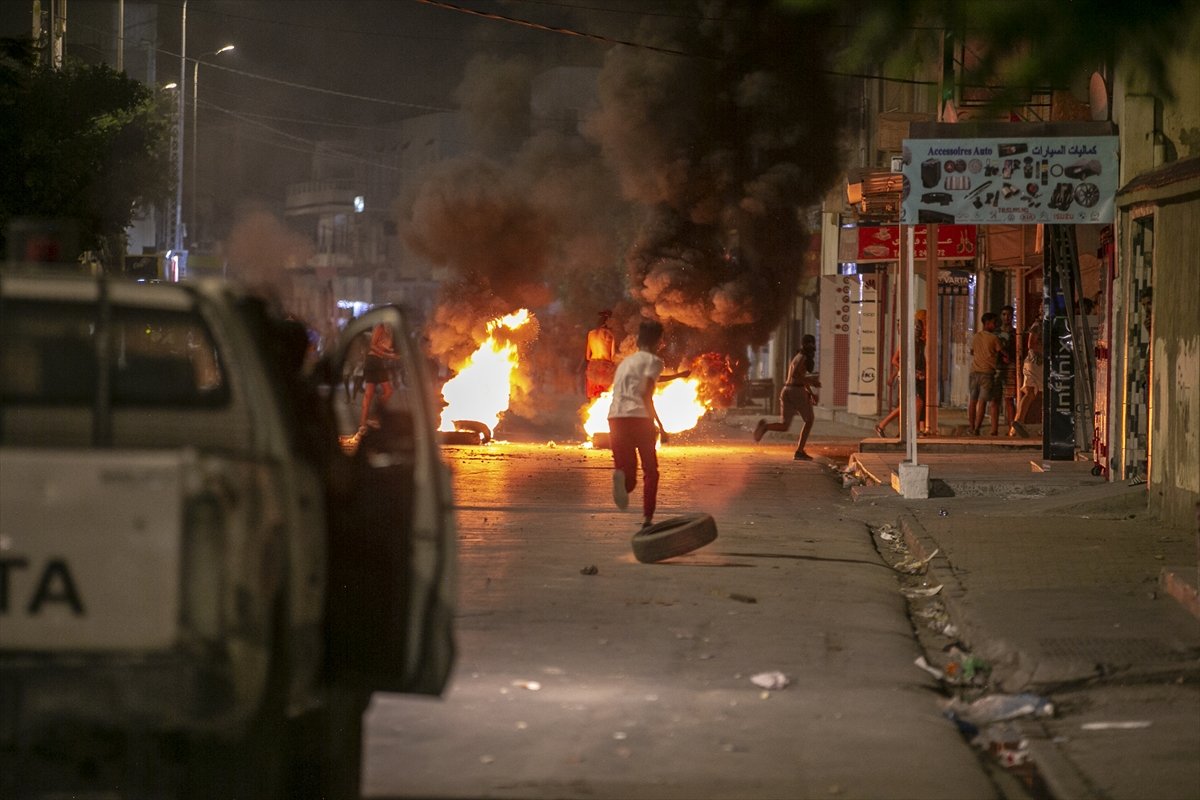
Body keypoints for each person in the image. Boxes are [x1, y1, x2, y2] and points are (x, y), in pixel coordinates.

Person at [608, 318, 669, 528]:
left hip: (615, 418)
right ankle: (647, 519)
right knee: (651, 471)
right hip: (639, 419)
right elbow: (645, 392)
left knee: (629, 478)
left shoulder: (625, 363)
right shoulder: (654, 361)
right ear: (658, 341)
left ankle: (620, 478)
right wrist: (660, 426)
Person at [752, 334, 822, 460]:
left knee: (784, 426)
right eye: (809, 343)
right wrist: (812, 382)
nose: (811, 346)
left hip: (787, 390)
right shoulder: (803, 357)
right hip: (796, 392)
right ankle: (800, 451)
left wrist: (811, 393)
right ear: (805, 344)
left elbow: (798, 376)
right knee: (809, 420)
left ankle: (765, 427)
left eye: (812, 343)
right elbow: (796, 376)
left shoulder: (798, 356)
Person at [875, 313, 926, 438]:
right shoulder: (907, 343)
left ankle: (886, 426)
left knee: (915, 403)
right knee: (913, 403)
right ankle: (885, 425)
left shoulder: (920, 344)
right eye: (917, 329)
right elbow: (895, 360)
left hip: (913, 377)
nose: (919, 332)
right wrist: (910, 372)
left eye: (920, 329)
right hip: (907, 377)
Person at [968, 311, 1003, 436]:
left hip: (974, 372)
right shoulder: (994, 338)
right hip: (987, 373)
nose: (996, 325)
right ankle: (977, 428)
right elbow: (1002, 352)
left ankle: (971, 427)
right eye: (994, 323)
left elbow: (972, 352)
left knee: (973, 400)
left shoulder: (976, 336)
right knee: (982, 401)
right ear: (987, 323)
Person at [359, 322, 396, 433]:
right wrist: (388, 355)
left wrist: (390, 352)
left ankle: (363, 424)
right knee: (388, 391)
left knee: (369, 394)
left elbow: (381, 346)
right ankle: (373, 417)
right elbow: (372, 345)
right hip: (374, 361)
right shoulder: (380, 326)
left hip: (376, 361)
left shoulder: (389, 330)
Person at [1011, 322, 1042, 437]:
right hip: (1037, 363)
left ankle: (1018, 422)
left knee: (1031, 393)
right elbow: (1031, 344)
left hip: (1034, 363)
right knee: (1037, 393)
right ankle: (1019, 422)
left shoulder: (1041, 324)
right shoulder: (1038, 325)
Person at [581, 310, 617, 399]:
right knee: (607, 395)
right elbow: (613, 357)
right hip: (605, 366)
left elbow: (588, 356)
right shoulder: (610, 334)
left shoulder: (591, 334)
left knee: (594, 396)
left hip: (592, 366)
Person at [996, 305, 1018, 430]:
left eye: (1009, 315)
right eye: (1004, 314)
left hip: (1011, 367)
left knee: (1009, 398)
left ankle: (1012, 426)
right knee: (996, 398)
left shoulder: (1015, 333)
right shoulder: (996, 333)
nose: (1006, 317)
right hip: (997, 368)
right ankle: (995, 429)